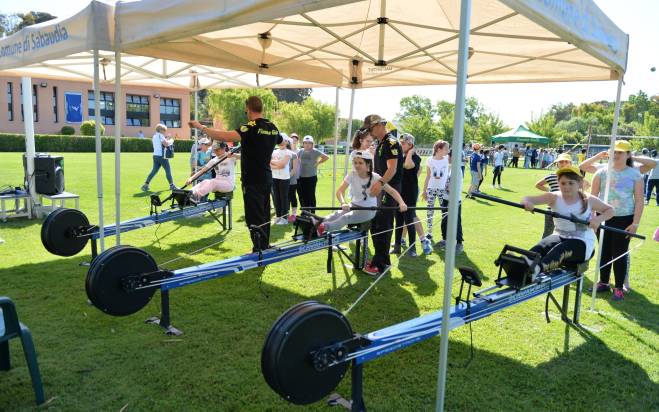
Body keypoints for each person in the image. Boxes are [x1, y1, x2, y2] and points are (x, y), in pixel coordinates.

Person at [188, 95, 282, 252]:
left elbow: (224, 136)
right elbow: (282, 141)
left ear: (248, 108)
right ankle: (264, 245)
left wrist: (200, 127)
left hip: (252, 179)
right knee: (264, 213)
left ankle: (259, 248)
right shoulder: (272, 126)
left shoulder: (250, 127)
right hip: (266, 177)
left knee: (254, 215)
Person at [520, 166, 614, 276]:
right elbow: (526, 198)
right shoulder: (553, 196)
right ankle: (520, 266)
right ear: (558, 183)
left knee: (561, 250)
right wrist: (527, 203)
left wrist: (598, 219)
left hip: (582, 242)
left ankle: (536, 270)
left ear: (579, 183)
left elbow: (610, 210)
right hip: (560, 235)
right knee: (540, 247)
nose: (566, 187)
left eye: (571, 183)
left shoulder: (589, 199)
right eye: (563, 183)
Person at [590, 140, 645, 300]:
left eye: (620, 152)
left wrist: (635, 224)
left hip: (625, 219)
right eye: (614, 151)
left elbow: (640, 201)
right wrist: (593, 218)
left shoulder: (635, 174)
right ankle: (604, 282)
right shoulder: (601, 172)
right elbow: (592, 197)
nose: (616, 155)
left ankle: (619, 287)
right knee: (604, 251)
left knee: (619, 253)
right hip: (603, 217)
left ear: (628, 154)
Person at [313, 150, 406, 235]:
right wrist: (343, 203)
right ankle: (315, 223)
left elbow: (392, 191)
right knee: (336, 214)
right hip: (353, 206)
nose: (357, 165)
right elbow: (339, 191)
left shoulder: (376, 177)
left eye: (360, 163)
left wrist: (401, 203)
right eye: (355, 163)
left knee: (345, 218)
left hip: (368, 210)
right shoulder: (352, 175)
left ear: (368, 165)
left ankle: (323, 228)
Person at [361, 114, 403, 276]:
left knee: (383, 225)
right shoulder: (381, 143)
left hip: (388, 188)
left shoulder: (391, 142)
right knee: (376, 223)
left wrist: (380, 184)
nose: (369, 133)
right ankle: (380, 259)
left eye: (370, 129)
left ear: (378, 125)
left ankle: (381, 264)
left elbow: (391, 169)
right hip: (380, 187)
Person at [392, 133, 432, 256]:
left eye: (403, 143)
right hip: (399, 191)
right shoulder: (399, 156)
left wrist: (410, 153)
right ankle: (397, 246)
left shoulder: (415, 157)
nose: (401, 145)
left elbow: (408, 166)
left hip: (410, 192)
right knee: (398, 220)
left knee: (409, 219)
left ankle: (412, 248)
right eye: (400, 143)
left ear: (411, 145)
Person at [535, 153, 574, 238]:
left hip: (568, 211)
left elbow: (586, 185)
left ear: (570, 164)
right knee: (548, 234)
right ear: (557, 164)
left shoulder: (575, 178)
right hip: (552, 211)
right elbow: (538, 185)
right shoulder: (551, 176)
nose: (564, 164)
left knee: (565, 235)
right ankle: (543, 251)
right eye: (561, 162)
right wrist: (549, 190)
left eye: (566, 162)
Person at [438, 146, 465, 254]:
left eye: (449, 155)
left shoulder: (456, 170)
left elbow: (451, 186)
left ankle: (459, 243)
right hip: (445, 198)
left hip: (454, 201)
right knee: (444, 220)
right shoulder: (450, 167)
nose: (447, 156)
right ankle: (445, 240)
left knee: (456, 222)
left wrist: (443, 185)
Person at [422, 140, 449, 243]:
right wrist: (424, 190)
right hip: (431, 189)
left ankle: (445, 235)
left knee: (444, 211)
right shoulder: (429, 160)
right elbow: (428, 176)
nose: (448, 150)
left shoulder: (447, 159)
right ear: (439, 149)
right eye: (446, 148)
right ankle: (429, 232)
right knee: (430, 211)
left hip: (443, 190)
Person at [297, 135, 329, 213]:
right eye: (305, 143)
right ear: (303, 143)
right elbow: (296, 158)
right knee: (303, 196)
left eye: (309, 143)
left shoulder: (315, 151)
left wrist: (318, 163)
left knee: (311, 195)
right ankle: (305, 212)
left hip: (311, 177)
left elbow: (326, 157)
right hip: (301, 177)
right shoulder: (300, 151)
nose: (307, 144)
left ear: (312, 144)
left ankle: (312, 212)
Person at [141, 123, 176, 192]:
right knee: (168, 170)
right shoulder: (161, 135)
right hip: (162, 156)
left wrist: (167, 139)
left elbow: (161, 143)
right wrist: (171, 140)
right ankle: (172, 186)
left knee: (154, 171)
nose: (164, 132)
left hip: (155, 156)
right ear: (160, 130)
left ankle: (145, 185)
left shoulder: (154, 136)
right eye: (164, 130)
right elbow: (166, 144)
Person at [271, 135, 293, 225]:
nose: (281, 143)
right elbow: (269, 163)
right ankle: (278, 216)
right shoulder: (274, 152)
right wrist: (278, 164)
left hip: (284, 178)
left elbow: (283, 165)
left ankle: (284, 218)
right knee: (276, 198)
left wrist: (275, 164)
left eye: (283, 140)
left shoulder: (288, 152)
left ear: (287, 142)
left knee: (283, 198)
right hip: (274, 177)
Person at [288, 133, 300, 222]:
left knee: (293, 195)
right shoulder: (287, 151)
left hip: (295, 177)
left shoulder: (299, 151)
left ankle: (294, 214)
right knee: (286, 196)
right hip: (285, 178)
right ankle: (286, 214)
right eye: (292, 140)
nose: (294, 142)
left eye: (295, 140)